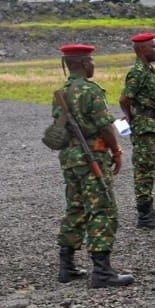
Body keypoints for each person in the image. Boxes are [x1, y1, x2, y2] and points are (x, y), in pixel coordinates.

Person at [53, 44, 133, 288]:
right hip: (92, 157)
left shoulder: (61, 92)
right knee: (102, 209)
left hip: (70, 158)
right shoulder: (90, 90)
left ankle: (66, 266)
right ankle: (102, 271)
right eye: (92, 61)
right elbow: (105, 126)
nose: (94, 65)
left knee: (75, 208)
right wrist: (116, 151)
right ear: (85, 63)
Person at [119, 33, 155, 230]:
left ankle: (150, 210)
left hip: (153, 125)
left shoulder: (149, 70)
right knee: (144, 169)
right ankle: (144, 215)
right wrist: (131, 119)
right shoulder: (138, 72)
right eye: (153, 47)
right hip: (145, 125)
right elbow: (125, 99)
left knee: (150, 168)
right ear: (142, 50)